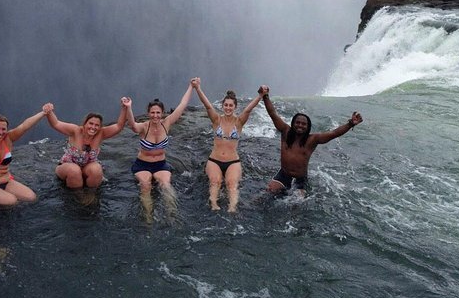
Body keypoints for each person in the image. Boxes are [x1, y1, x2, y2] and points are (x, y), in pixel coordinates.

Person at [260, 85, 363, 198]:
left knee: (297, 204)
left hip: (300, 179)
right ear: (293, 123)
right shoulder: (285, 132)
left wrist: (350, 124)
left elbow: (334, 133)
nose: (300, 125)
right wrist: (265, 96)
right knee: (266, 194)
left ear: (308, 127)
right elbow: (273, 114)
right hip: (284, 174)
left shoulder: (312, 139)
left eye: (304, 124)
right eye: (297, 122)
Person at [125, 81, 194, 221]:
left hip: (161, 165)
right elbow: (132, 125)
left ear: (162, 113)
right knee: (145, 185)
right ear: (148, 113)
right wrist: (128, 107)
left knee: (166, 186)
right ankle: (148, 217)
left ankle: (172, 216)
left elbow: (182, 105)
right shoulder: (144, 127)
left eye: (158, 113)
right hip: (142, 165)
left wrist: (191, 87)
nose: (155, 115)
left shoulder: (167, 123)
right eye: (152, 112)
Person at [192, 78, 263, 212]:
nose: (228, 108)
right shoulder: (216, 120)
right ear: (222, 106)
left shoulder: (239, 122)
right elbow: (207, 105)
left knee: (231, 184)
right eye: (226, 105)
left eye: (231, 105)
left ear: (235, 107)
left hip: (233, 161)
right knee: (215, 181)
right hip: (214, 160)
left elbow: (248, 109)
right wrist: (197, 88)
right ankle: (214, 205)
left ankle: (232, 207)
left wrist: (260, 95)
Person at [0, 105, 51, 206]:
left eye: (3, 129)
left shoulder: (8, 138)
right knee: (11, 201)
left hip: (7, 181)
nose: (0, 133)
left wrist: (43, 113)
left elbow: (24, 126)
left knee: (31, 197)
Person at [45, 97, 130, 189]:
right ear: (85, 124)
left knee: (97, 169)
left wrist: (125, 108)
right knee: (74, 170)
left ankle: (91, 195)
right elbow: (56, 124)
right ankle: (76, 197)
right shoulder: (75, 130)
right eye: (91, 123)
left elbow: (119, 126)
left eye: (97, 125)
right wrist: (49, 112)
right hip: (67, 167)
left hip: (87, 167)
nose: (93, 127)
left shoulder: (101, 133)